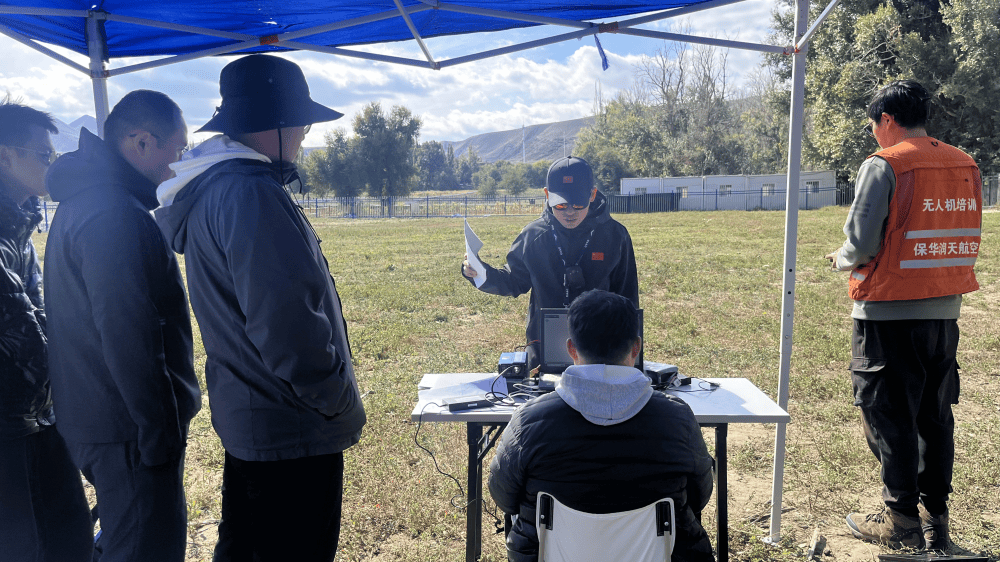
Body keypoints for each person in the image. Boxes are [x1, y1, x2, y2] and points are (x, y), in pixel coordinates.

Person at [154, 54, 366, 562]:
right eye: (300, 123)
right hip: (292, 431)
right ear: (271, 125)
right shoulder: (251, 193)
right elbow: (289, 327)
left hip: (256, 423)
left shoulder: (219, 188)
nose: (302, 135)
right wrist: (334, 400)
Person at [44, 90, 202, 562]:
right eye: (177, 150)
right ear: (141, 143)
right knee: (144, 549)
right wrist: (159, 431)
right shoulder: (112, 213)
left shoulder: (91, 200)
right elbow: (127, 329)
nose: (178, 163)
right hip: (125, 426)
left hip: (105, 417)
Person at [825, 79, 982, 551]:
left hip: (886, 315)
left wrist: (840, 257)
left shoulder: (884, 164)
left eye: (874, 125)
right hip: (943, 314)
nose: (875, 134)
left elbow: (862, 244)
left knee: (888, 419)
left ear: (886, 120)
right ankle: (937, 521)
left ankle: (901, 523)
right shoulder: (965, 163)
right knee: (934, 418)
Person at [488, 289, 715, 562]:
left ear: (571, 348)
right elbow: (700, 493)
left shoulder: (529, 421)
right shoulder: (678, 419)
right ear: (636, 347)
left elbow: (504, 497)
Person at [0, 100, 93, 561]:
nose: (52, 164)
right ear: (4, 157)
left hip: (37, 416)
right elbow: (23, 332)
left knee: (68, 539)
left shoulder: (20, 223)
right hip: (10, 428)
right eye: (43, 154)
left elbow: (40, 313)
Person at [462, 156, 638, 371]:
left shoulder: (615, 235)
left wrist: (629, 353)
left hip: (602, 342)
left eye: (578, 204)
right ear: (546, 195)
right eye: (561, 204)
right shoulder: (533, 236)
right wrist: (480, 273)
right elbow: (514, 281)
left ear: (592, 194)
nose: (570, 212)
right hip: (544, 341)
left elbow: (628, 296)